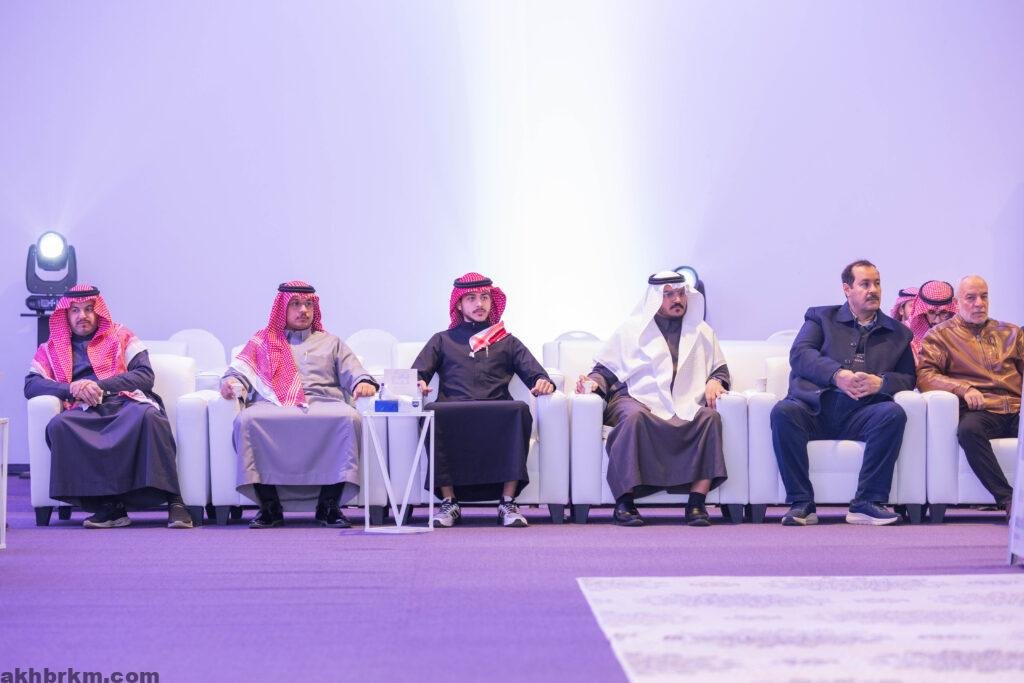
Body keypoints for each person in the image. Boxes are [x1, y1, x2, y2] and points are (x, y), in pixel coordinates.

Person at [24, 284, 191, 529]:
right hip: (84, 410)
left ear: (98, 311)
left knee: (150, 417)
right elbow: (31, 385)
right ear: (66, 315)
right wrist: (72, 389)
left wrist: (99, 386)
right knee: (59, 426)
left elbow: (145, 375)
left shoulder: (121, 335)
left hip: (125, 402)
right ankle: (108, 505)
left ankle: (175, 501)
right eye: (75, 310)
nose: (82, 316)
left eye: (88, 309)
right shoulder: (51, 348)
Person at [575, 271, 729, 527]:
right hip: (635, 396)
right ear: (654, 298)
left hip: (683, 402)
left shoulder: (701, 331)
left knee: (709, 418)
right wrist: (592, 384)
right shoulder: (631, 331)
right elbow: (604, 371)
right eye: (668, 294)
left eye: (680, 293)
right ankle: (624, 503)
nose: (677, 299)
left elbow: (719, 369)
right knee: (634, 418)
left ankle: (696, 503)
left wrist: (716, 380)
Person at [220, 281, 377, 529]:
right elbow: (239, 373)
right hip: (273, 404)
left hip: (323, 402)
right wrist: (230, 383)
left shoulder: (331, 342)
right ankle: (269, 507)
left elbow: (355, 371)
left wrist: (363, 383)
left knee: (348, 418)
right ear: (282, 308)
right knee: (247, 420)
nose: (303, 310)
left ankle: (329, 506)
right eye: (295, 304)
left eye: (308, 304)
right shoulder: (263, 341)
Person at [770, 260, 916, 526]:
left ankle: (867, 503)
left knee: (892, 414)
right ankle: (801, 504)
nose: (873, 290)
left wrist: (881, 383)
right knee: (783, 412)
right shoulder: (820, 317)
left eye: (877, 283)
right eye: (865, 284)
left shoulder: (899, 333)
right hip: (815, 408)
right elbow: (801, 355)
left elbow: (908, 378)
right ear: (847, 289)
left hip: (862, 412)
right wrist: (837, 375)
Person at [412, 272, 555, 528]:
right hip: (454, 410)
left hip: (496, 411)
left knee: (519, 410)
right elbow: (416, 374)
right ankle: (449, 502)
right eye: (471, 298)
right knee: (433, 413)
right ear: (459, 304)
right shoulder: (442, 340)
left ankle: (507, 502)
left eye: (485, 297)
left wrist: (544, 382)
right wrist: (418, 383)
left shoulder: (507, 341)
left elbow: (536, 374)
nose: (480, 304)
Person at [917, 275, 1022, 519]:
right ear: (958, 302)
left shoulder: (1011, 332)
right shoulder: (940, 336)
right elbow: (925, 376)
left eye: (984, 297)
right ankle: (1009, 501)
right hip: (981, 409)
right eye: (971, 298)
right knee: (968, 430)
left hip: (1017, 407)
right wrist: (963, 388)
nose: (979, 304)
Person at [906, 280, 957, 359]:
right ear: (923, 313)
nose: (937, 321)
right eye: (931, 312)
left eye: (943, 312)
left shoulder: (961, 336)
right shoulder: (909, 338)